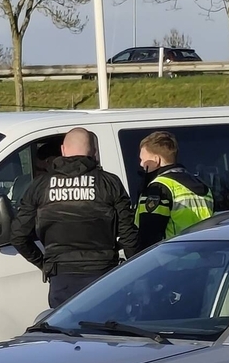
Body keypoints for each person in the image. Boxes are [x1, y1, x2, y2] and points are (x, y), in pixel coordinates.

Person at [10, 127, 139, 308]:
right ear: (94, 152)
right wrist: (135, 271)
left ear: (63, 150)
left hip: (62, 278)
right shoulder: (110, 183)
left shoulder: (40, 186)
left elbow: (18, 235)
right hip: (104, 275)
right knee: (106, 333)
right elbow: (128, 235)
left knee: (67, 334)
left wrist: (45, 264)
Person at [134, 131, 214, 252]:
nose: (140, 164)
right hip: (203, 259)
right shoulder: (202, 185)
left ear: (156, 160)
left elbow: (149, 237)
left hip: (172, 262)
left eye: (142, 159)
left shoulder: (159, 188)